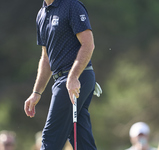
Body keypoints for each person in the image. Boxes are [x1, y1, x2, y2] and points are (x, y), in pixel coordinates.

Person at [24, 0, 98, 149]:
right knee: (81, 139)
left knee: (50, 138)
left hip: (75, 79)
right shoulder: (41, 14)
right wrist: (36, 92)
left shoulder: (71, 6)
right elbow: (46, 58)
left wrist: (73, 77)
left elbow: (88, 44)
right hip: (64, 80)